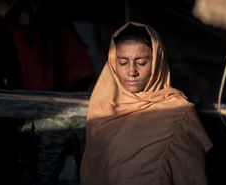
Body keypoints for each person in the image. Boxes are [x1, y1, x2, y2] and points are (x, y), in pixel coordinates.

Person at [80, 22, 212, 185]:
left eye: (141, 63)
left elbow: (189, 174)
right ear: (113, 64)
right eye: (123, 63)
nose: (131, 72)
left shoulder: (178, 112)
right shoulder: (104, 102)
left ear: (157, 62)